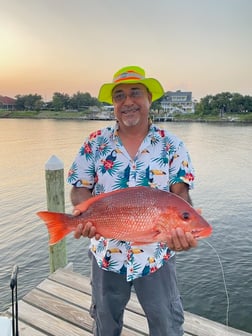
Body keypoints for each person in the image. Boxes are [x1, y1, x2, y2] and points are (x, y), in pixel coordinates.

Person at [67, 65, 198, 336]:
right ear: (113, 105)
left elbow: (180, 195)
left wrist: (183, 229)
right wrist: (81, 214)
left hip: (156, 256)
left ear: (150, 99)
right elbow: (80, 187)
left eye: (135, 93)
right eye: (119, 96)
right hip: (106, 252)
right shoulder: (95, 142)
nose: (127, 102)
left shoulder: (173, 145)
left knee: (166, 324)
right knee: (105, 321)